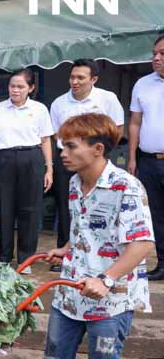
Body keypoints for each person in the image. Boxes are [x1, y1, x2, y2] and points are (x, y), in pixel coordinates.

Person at [29, 113, 153, 359]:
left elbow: (141, 244)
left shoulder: (125, 187)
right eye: (61, 146)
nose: (62, 153)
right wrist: (66, 249)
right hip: (70, 293)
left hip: (110, 300)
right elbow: (87, 231)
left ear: (98, 149)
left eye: (70, 146)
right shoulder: (73, 183)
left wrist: (106, 279)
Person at [49, 59, 125, 272]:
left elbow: (118, 128)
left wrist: (97, 157)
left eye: (80, 77)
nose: (75, 81)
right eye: (72, 77)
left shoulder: (107, 99)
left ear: (94, 79)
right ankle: (68, 252)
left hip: (97, 162)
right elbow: (57, 135)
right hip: (68, 162)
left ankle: (102, 257)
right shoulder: (58, 103)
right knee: (69, 207)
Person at [0, 69, 54, 272]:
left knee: (30, 209)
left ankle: (26, 259)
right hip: (4, 159)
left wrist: (49, 168)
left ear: (31, 88)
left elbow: (45, 140)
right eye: (12, 86)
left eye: (20, 86)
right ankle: (5, 256)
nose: (15, 90)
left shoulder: (39, 109)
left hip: (31, 158)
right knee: (5, 207)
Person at [128, 35, 164, 281]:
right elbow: (135, 122)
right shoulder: (142, 84)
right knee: (157, 216)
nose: (156, 58)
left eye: (162, 53)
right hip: (150, 160)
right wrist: (131, 157)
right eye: (154, 54)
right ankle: (162, 264)